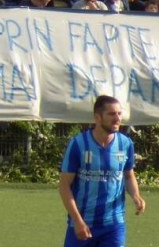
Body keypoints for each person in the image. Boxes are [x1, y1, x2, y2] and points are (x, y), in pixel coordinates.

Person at [59, 95, 145, 247]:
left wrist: (136, 196)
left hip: (113, 224)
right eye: (111, 114)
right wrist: (77, 221)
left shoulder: (125, 144)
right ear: (97, 117)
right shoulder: (78, 144)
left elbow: (128, 176)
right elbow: (64, 185)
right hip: (83, 222)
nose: (117, 118)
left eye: (119, 113)